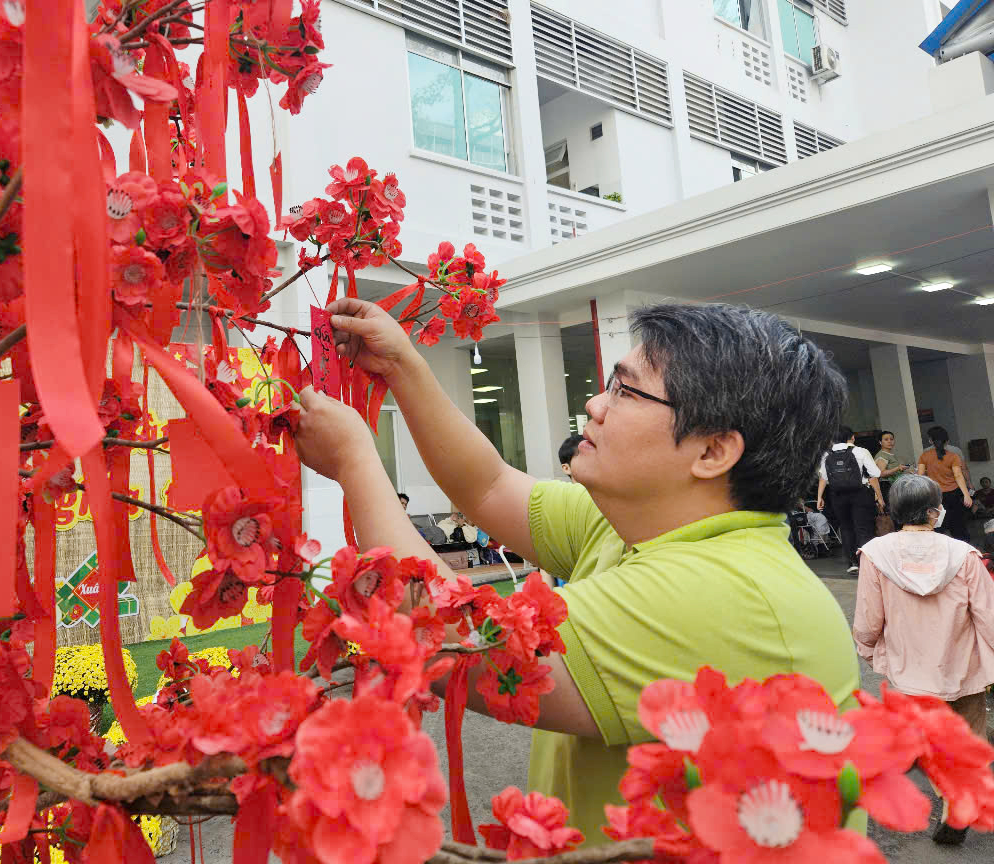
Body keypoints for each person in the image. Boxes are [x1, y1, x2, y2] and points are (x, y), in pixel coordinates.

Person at [292, 300, 859, 847]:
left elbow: (453, 640)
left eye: (625, 390)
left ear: (712, 451)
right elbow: (486, 485)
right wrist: (400, 365)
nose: (595, 404)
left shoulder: (727, 591)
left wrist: (355, 463)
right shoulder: (633, 525)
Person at [852, 474, 994, 846]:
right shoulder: (964, 555)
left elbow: (868, 623)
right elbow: (989, 617)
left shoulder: (875, 554)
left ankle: (950, 798)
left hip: (909, 673)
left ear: (894, 510)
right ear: (935, 512)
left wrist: (872, 652)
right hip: (964, 669)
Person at [816, 425, 885, 574]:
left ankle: (852, 563)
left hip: (838, 495)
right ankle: (866, 563)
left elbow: (824, 477)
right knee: (863, 528)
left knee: (846, 527)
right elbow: (875, 473)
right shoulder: (860, 451)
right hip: (860, 493)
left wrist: (819, 497)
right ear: (852, 437)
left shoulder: (826, 455)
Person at [917, 426, 973, 542]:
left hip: (934, 496)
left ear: (930, 441)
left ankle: (940, 551)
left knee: (937, 525)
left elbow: (920, 476)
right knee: (958, 525)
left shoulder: (924, 456)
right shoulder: (953, 456)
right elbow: (958, 476)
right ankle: (963, 552)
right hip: (954, 495)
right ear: (947, 441)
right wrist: (966, 494)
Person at [873, 430, 910, 497]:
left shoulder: (890, 454)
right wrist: (898, 468)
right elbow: (881, 473)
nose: (889, 441)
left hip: (895, 485)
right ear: (880, 442)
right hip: (887, 486)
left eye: (891, 439)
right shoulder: (882, 455)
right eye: (886, 439)